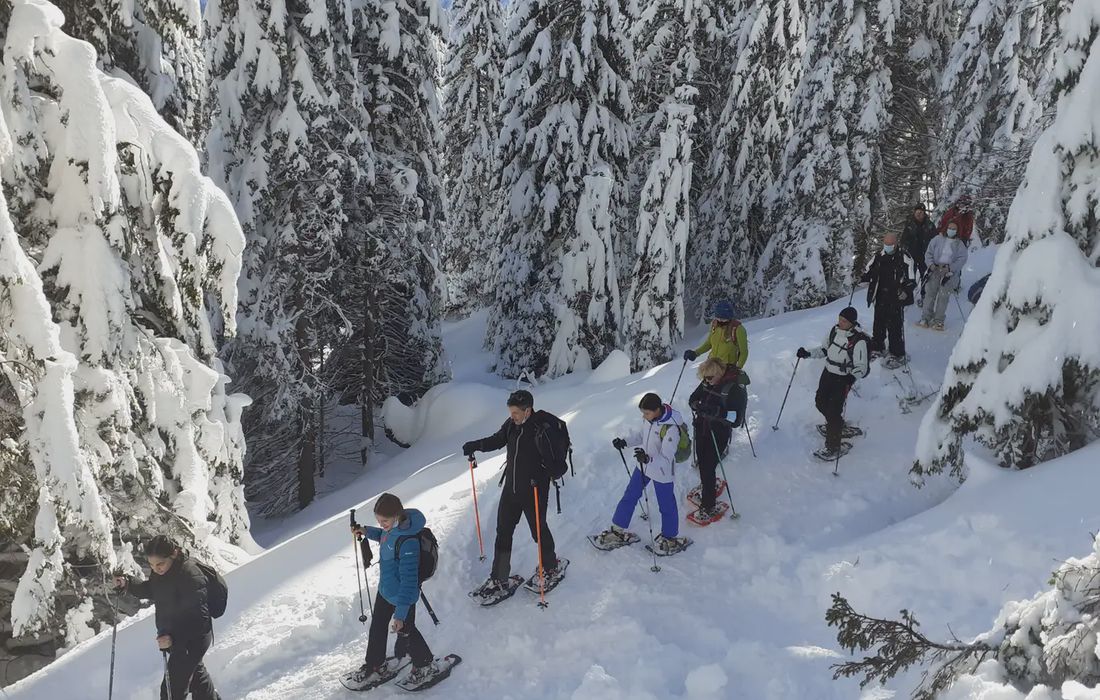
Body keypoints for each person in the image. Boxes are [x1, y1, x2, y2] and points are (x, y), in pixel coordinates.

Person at [462, 390, 563, 597]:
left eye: (516, 412)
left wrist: (542, 473)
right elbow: (497, 440)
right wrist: (476, 445)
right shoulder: (511, 426)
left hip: (534, 490)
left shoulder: (541, 430)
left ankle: (551, 566)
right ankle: (499, 577)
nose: (512, 416)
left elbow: (558, 468)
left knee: (538, 531)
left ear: (528, 410)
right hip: (512, 489)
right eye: (511, 412)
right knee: (503, 531)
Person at [344, 494, 438, 690]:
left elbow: (409, 581)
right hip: (385, 591)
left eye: (384, 521)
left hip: (403, 596)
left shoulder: (409, 543)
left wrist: (401, 613)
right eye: (378, 520)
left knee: (406, 631)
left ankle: (426, 665)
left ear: (397, 516)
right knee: (377, 628)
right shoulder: (392, 529)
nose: (381, 524)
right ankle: (375, 664)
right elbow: (384, 537)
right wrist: (366, 530)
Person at [114, 536, 221, 700]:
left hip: (192, 640)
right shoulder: (163, 572)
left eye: (159, 564)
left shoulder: (189, 575)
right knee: (196, 677)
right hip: (176, 637)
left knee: (171, 691)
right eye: (151, 565)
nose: (156, 569)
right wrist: (128, 583)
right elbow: (153, 589)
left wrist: (172, 640)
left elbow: (198, 619)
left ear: (174, 554)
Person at [596, 393, 689, 553]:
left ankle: (669, 537)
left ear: (657, 410)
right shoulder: (649, 420)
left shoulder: (671, 428)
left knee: (666, 505)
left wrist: (647, 459)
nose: (644, 416)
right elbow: (641, 436)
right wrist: (625, 441)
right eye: (643, 413)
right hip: (644, 467)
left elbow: (667, 457)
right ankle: (618, 529)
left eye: (647, 413)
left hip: (662, 471)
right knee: (630, 495)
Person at [796, 306, 870, 461]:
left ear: (851, 322)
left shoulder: (858, 340)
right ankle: (836, 426)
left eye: (844, 321)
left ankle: (833, 446)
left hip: (843, 378)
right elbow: (824, 350)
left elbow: (862, 367)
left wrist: (851, 378)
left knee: (834, 411)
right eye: (839, 319)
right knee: (820, 402)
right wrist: (807, 353)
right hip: (828, 373)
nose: (840, 322)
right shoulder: (834, 332)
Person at [687, 358, 747, 521]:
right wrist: (696, 405)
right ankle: (708, 486)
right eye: (704, 378)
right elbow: (693, 397)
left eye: (709, 378)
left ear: (719, 373)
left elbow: (736, 420)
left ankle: (709, 505)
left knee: (708, 465)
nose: (706, 381)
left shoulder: (733, 389)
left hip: (718, 433)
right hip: (702, 428)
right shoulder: (708, 380)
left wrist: (716, 412)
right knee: (702, 462)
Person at [860, 232, 917, 369]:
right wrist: (863, 278)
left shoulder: (904, 257)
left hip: (896, 297)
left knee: (895, 326)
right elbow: (868, 270)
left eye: (890, 244)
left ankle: (897, 353)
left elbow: (911, 278)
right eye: (886, 244)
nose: (888, 246)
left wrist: (905, 290)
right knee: (878, 322)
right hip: (880, 296)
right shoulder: (878, 256)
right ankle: (877, 347)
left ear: (896, 244)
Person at [683, 299, 749, 384]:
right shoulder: (715, 325)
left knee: (718, 394)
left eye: (723, 319)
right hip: (711, 367)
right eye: (718, 318)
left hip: (726, 369)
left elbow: (744, 352)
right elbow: (709, 344)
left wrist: (737, 369)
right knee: (703, 393)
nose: (720, 321)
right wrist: (695, 353)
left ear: (729, 317)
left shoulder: (738, 329)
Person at [919, 222, 969, 331]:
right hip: (934, 270)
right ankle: (925, 318)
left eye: (954, 229)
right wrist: (931, 265)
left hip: (948, 273)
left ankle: (939, 321)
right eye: (950, 228)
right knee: (930, 295)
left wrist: (950, 268)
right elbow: (928, 253)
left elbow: (962, 259)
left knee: (943, 297)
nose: (951, 230)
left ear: (957, 231)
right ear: (946, 228)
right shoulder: (937, 239)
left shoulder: (959, 244)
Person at [900, 203, 937, 305]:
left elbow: (935, 241)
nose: (919, 214)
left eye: (921, 212)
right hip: (911, 256)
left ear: (924, 213)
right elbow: (903, 240)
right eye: (917, 212)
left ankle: (924, 297)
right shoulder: (909, 225)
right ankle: (907, 296)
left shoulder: (930, 225)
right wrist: (905, 250)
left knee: (926, 277)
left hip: (925, 256)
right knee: (909, 277)